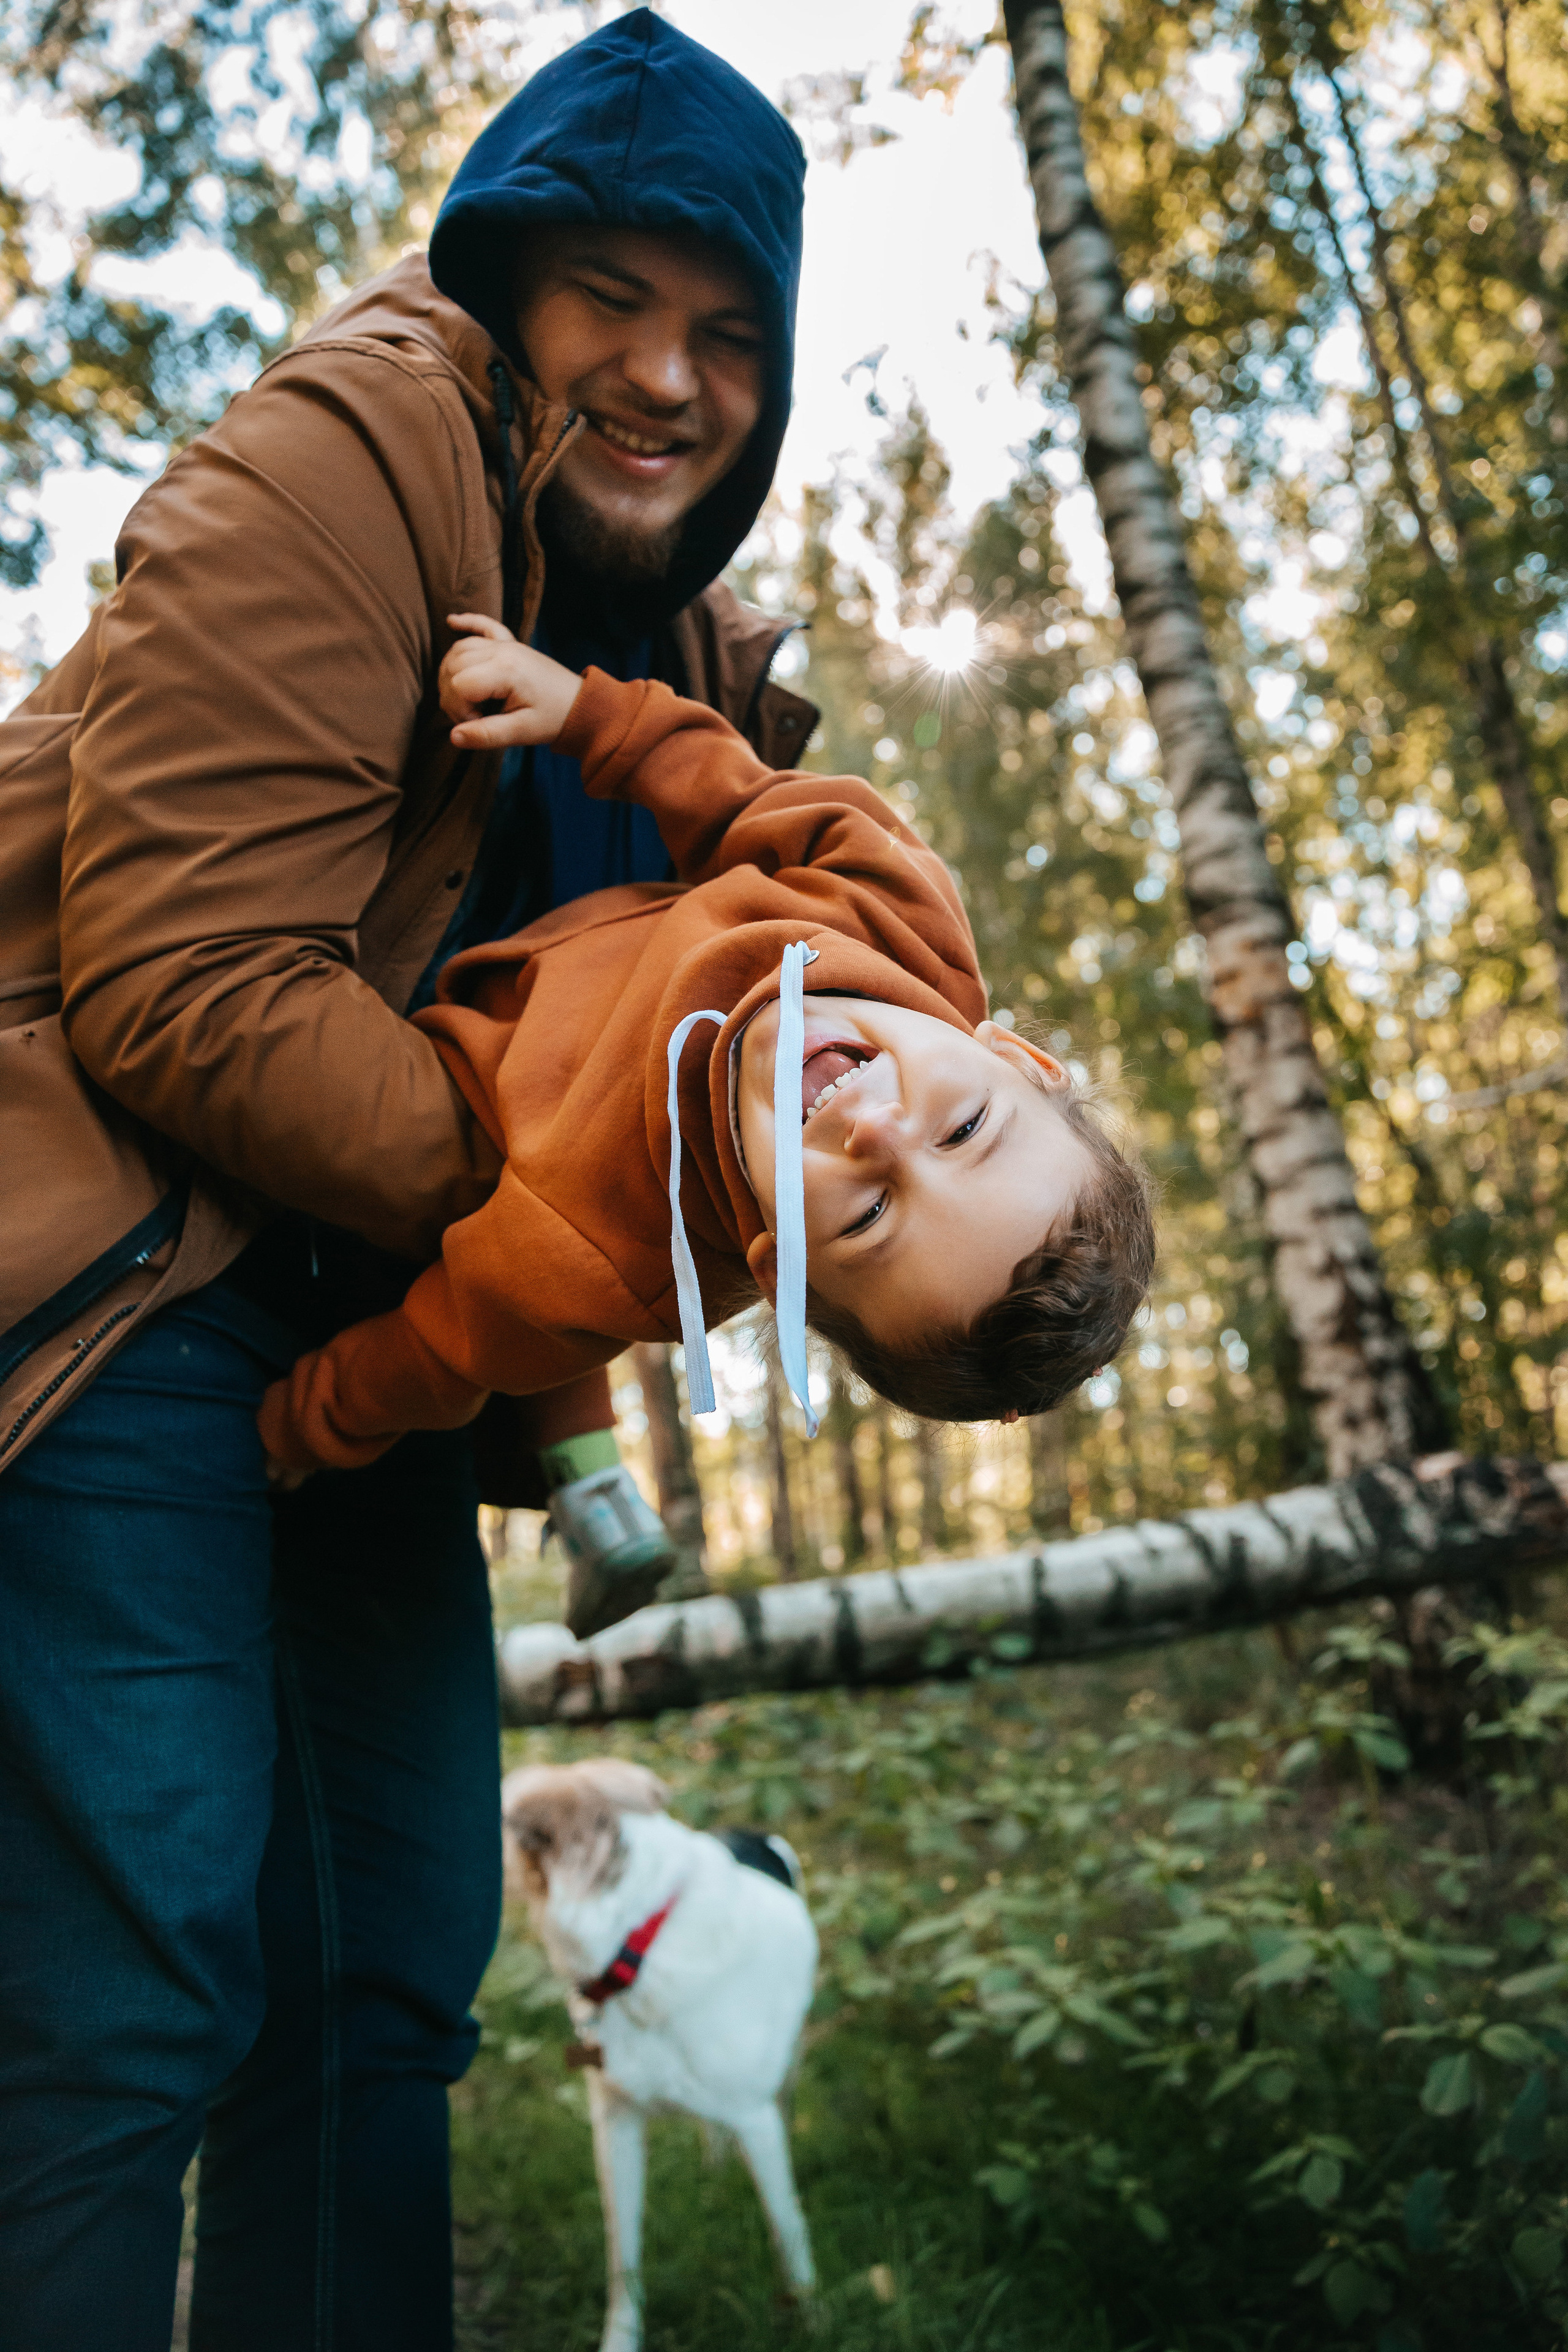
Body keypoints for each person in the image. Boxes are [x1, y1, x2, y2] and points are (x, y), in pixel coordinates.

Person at [0, 14, 809, 2350]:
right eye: (617, 305)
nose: (672, 376)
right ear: (510, 284)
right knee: (132, 1981)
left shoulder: (669, 657)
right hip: (124, 1285)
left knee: (381, 1980)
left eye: (731, 330)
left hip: (365, 1353)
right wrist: (560, 1183)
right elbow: (183, 976)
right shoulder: (345, 447)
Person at [257, 623, 1155, 1509]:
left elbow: (444, 1348)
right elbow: (745, 799)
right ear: (1018, 1056)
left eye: (872, 1213)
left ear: (777, 1268)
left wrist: (312, 1427)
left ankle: (582, 1474)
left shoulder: (606, 1252)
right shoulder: (898, 907)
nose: (877, 1130)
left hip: (440, 1035)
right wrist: (590, 713)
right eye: (964, 1130)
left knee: (539, 1331)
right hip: (571, 903)